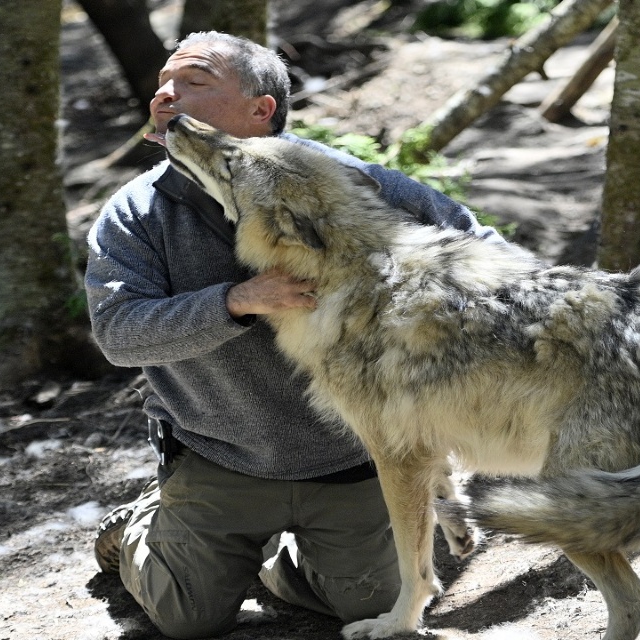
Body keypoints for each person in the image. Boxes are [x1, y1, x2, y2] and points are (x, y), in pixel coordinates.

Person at [85, 31, 496, 639]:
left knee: (377, 608)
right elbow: (119, 336)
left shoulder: (345, 181)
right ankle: (144, 525)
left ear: (260, 112)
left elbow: (480, 246)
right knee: (187, 620)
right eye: (164, 84)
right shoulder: (136, 213)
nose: (166, 95)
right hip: (220, 454)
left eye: (194, 83)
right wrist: (237, 301)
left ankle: (290, 568)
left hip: (352, 460)